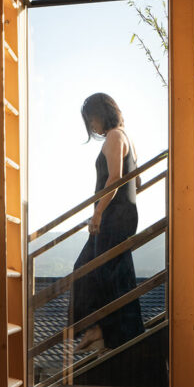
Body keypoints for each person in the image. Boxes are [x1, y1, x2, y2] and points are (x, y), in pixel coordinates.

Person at [70, 93, 145, 359]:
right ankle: (102, 329)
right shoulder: (126, 136)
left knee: (90, 269)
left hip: (113, 214)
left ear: (103, 112)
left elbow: (114, 177)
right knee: (112, 270)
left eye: (91, 119)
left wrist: (98, 212)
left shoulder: (114, 136)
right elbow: (138, 181)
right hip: (123, 212)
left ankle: (100, 329)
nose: (92, 127)